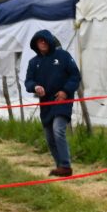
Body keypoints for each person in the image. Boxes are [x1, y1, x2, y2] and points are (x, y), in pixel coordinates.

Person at [24, 30, 80, 177]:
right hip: (46, 104)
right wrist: (35, 87)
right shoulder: (33, 62)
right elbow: (28, 82)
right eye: (39, 41)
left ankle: (66, 166)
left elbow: (75, 75)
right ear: (36, 44)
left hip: (62, 100)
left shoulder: (63, 56)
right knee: (49, 137)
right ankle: (60, 166)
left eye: (44, 40)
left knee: (58, 130)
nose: (42, 43)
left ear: (49, 41)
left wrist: (65, 91)